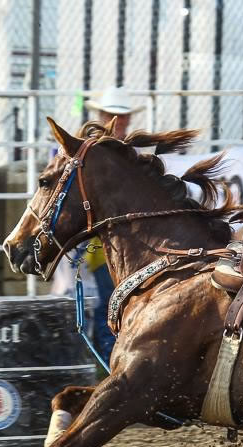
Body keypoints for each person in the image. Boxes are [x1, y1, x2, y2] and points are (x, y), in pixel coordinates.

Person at [55, 87, 145, 365]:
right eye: (114, 116)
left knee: (114, 300)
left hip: (119, 243)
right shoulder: (93, 153)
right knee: (109, 301)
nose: (120, 122)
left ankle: (113, 362)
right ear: (103, 116)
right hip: (100, 244)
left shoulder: (122, 152)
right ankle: (111, 362)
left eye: (123, 116)